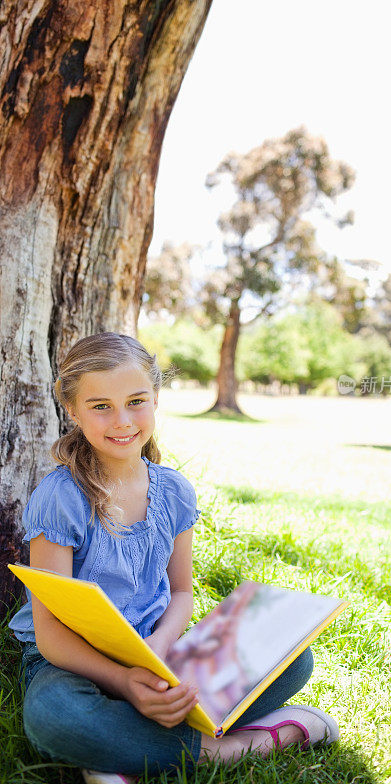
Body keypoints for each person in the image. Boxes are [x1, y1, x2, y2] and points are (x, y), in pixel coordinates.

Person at [8, 332, 339, 784]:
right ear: (72, 410)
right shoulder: (60, 498)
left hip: (159, 649)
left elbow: (182, 592)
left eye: (136, 401)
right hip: (70, 662)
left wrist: (157, 654)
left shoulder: (175, 491)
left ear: (157, 398)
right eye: (100, 406)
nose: (122, 420)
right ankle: (238, 746)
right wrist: (125, 681)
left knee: (295, 659)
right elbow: (49, 633)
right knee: (57, 717)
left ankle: (120, 750)